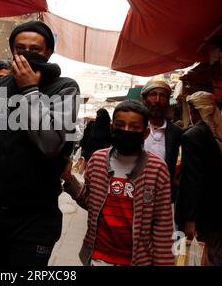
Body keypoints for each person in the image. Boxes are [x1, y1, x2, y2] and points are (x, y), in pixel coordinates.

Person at [0, 20, 80, 266]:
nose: (27, 54)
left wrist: (30, 90)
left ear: (49, 53)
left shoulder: (64, 88)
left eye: (36, 49)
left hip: (35, 217)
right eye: (20, 49)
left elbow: (51, 144)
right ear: (12, 51)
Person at [61, 100, 174, 266]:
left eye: (134, 127)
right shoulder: (98, 160)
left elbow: (162, 225)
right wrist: (69, 179)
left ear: (145, 133)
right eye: (120, 125)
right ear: (112, 127)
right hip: (99, 256)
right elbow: (91, 202)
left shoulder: (157, 169)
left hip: (138, 260)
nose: (126, 131)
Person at [175, 91, 222, 266]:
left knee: (196, 260)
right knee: (220, 259)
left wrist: (190, 219)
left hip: (202, 217)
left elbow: (193, 180)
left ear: (193, 110)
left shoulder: (192, 137)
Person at [141, 80, 183, 202]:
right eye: (153, 94)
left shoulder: (177, 134)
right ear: (144, 99)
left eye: (163, 96)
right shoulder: (135, 129)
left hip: (164, 199)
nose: (158, 100)